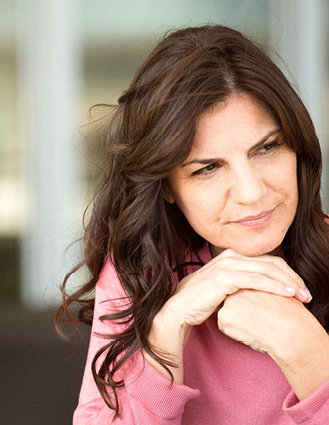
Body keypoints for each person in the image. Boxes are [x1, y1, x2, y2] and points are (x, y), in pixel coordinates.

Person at [55, 25, 329, 424]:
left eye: (267, 148)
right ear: (167, 186)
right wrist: (169, 326)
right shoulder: (140, 270)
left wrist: (305, 350)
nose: (251, 193)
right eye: (207, 168)